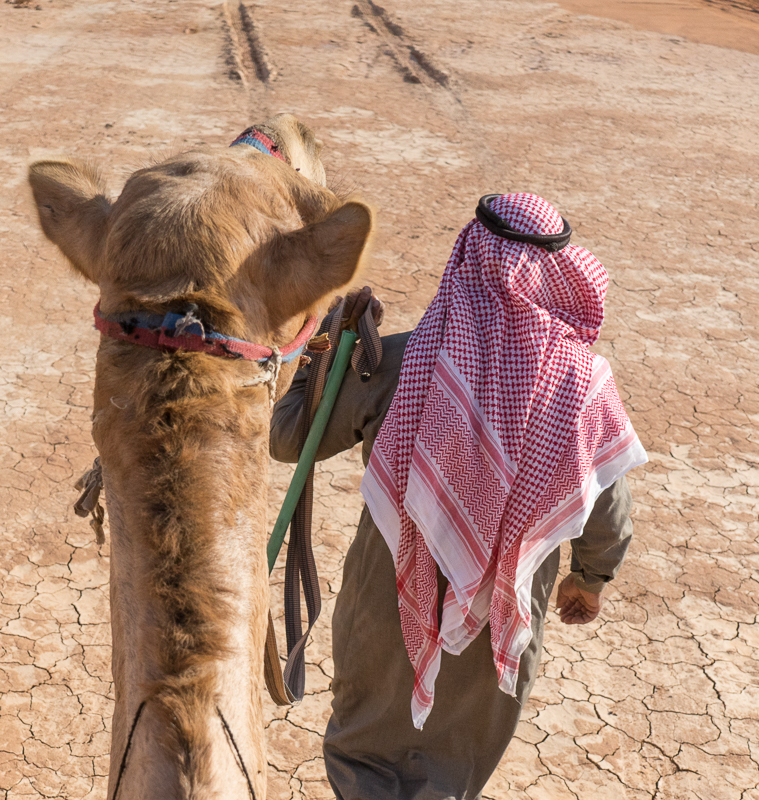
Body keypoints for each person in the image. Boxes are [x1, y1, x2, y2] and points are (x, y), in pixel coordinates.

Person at [269, 193, 647, 800]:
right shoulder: (584, 389)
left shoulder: (395, 362)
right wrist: (590, 578)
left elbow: (288, 439)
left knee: (366, 757)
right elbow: (608, 507)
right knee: (452, 768)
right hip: (501, 611)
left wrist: (322, 352)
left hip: (388, 596)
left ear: (471, 257)